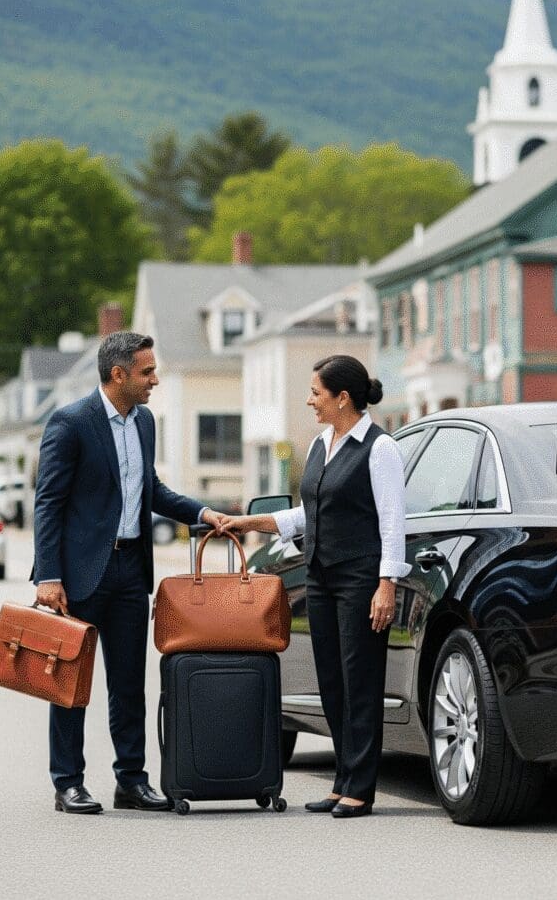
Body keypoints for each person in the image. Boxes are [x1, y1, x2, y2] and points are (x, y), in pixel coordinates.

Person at [33, 332, 231, 815]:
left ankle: (131, 781)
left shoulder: (143, 421)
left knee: (128, 685)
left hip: (129, 570)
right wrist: (49, 575)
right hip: (79, 575)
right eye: (146, 372)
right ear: (118, 374)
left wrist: (204, 514)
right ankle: (68, 783)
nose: (155, 380)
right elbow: (48, 503)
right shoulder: (71, 422)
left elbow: (152, 490)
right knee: (71, 684)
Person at [227, 355, 409, 818]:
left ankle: (361, 788)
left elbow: (392, 521)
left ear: (342, 398)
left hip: (362, 577)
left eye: (315, 393)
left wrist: (386, 583)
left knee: (360, 680)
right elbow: (309, 513)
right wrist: (250, 521)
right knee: (331, 679)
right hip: (321, 577)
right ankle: (343, 779)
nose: (310, 400)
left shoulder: (380, 448)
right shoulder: (319, 444)